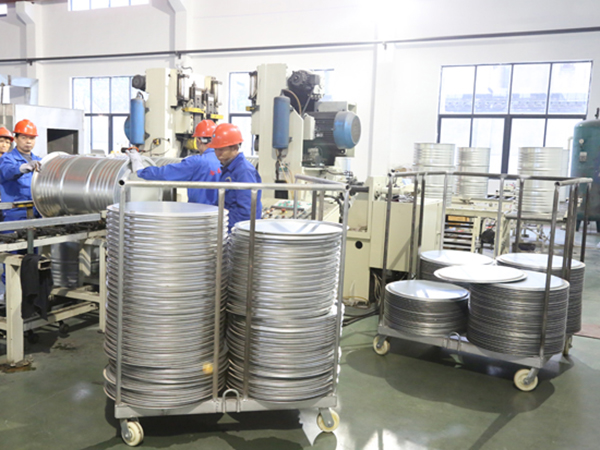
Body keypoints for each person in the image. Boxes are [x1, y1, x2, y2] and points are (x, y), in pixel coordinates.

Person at [129, 120, 222, 205]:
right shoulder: (224, 159)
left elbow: (164, 174)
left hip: (201, 213)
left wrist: (140, 170)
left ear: (198, 140)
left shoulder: (196, 162)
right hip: (221, 213)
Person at [211, 123, 262, 232]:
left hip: (237, 231)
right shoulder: (228, 168)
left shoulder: (243, 171)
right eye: (215, 149)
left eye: (221, 149)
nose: (217, 154)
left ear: (234, 147)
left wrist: (225, 225)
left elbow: (247, 212)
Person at [0, 120, 42, 222]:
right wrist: (22, 168)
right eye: (24, 137)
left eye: (32, 138)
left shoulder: (40, 161)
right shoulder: (7, 159)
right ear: (15, 139)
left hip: (37, 211)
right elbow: (8, 172)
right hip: (14, 213)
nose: (28, 141)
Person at [0, 127, 14, 222]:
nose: (4, 145)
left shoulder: (12, 161)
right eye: (1, 141)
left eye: (7, 142)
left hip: (7, 202)